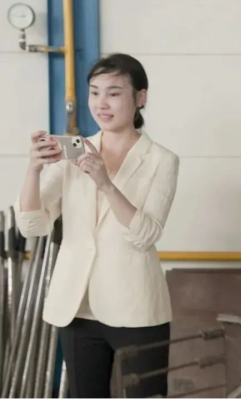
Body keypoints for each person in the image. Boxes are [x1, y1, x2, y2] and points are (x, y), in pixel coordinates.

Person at [16, 53, 179, 399]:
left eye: (114, 93)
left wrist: (106, 184)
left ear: (140, 97)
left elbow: (146, 234)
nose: (101, 103)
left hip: (137, 307)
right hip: (77, 306)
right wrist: (33, 170)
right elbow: (33, 226)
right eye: (94, 92)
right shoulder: (74, 153)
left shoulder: (162, 160)